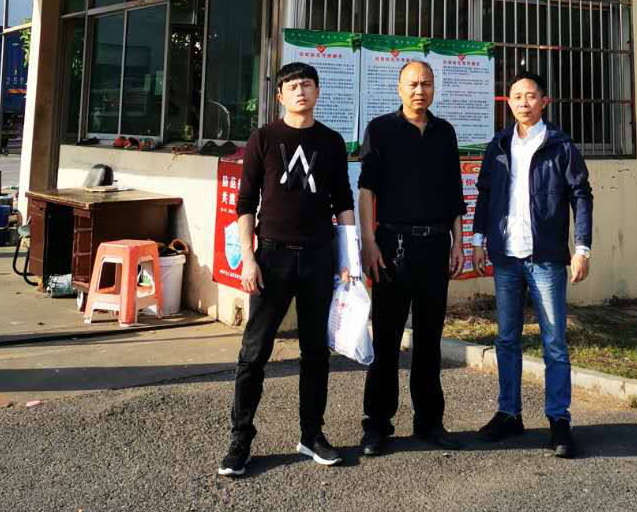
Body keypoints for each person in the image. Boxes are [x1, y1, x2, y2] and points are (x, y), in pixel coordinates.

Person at [219, 62, 357, 477]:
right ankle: (240, 439)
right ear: (280, 95)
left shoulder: (331, 142)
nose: (300, 91)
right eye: (292, 86)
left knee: (315, 352)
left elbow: (343, 202)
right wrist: (249, 258)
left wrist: (349, 261)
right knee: (254, 352)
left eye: (307, 84)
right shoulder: (263, 138)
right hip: (272, 257)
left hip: (319, 256)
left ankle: (312, 434)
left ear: (318, 92)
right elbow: (245, 204)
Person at [472, 69, 593, 459]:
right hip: (507, 257)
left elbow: (581, 195)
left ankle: (559, 420)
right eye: (517, 96)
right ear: (508, 102)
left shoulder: (560, 145)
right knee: (506, 339)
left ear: (544, 101)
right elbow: (485, 193)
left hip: (546, 259)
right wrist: (477, 240)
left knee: (554, 342)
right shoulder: (499, 144)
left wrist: (582, 248)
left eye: (530, 96)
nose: (523, 102)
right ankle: (509, 413)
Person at [358, 60, 466, 456]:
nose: (420, 90)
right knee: (386, 339)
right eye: (413, 84)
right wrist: (369, 242)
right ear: (399, 88)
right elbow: (366, 190)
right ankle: (377, 424)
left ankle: (430, 421)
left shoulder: (444, 132)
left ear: (434, 88)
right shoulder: (380, 130)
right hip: (392, 247)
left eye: (426, 84)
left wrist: (458, 242)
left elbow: (454, 192)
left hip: (435, 247)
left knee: (429, 339)